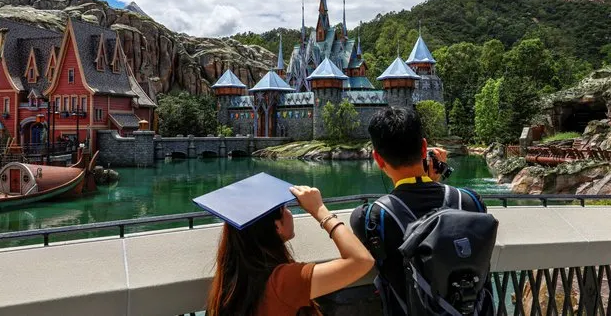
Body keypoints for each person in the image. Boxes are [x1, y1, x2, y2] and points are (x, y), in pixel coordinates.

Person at [350, 107, 493, 316]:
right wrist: (432, 181)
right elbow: (443, 217)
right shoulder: (471, 201)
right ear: (424, 146)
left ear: (378, 159)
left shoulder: (371, 218)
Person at [197, 173, 374, 316]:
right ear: (277, 226)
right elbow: (361, 260)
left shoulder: (229, 283)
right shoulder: (283, 282)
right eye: (285, 209)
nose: (290, 213)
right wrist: (320, 210)